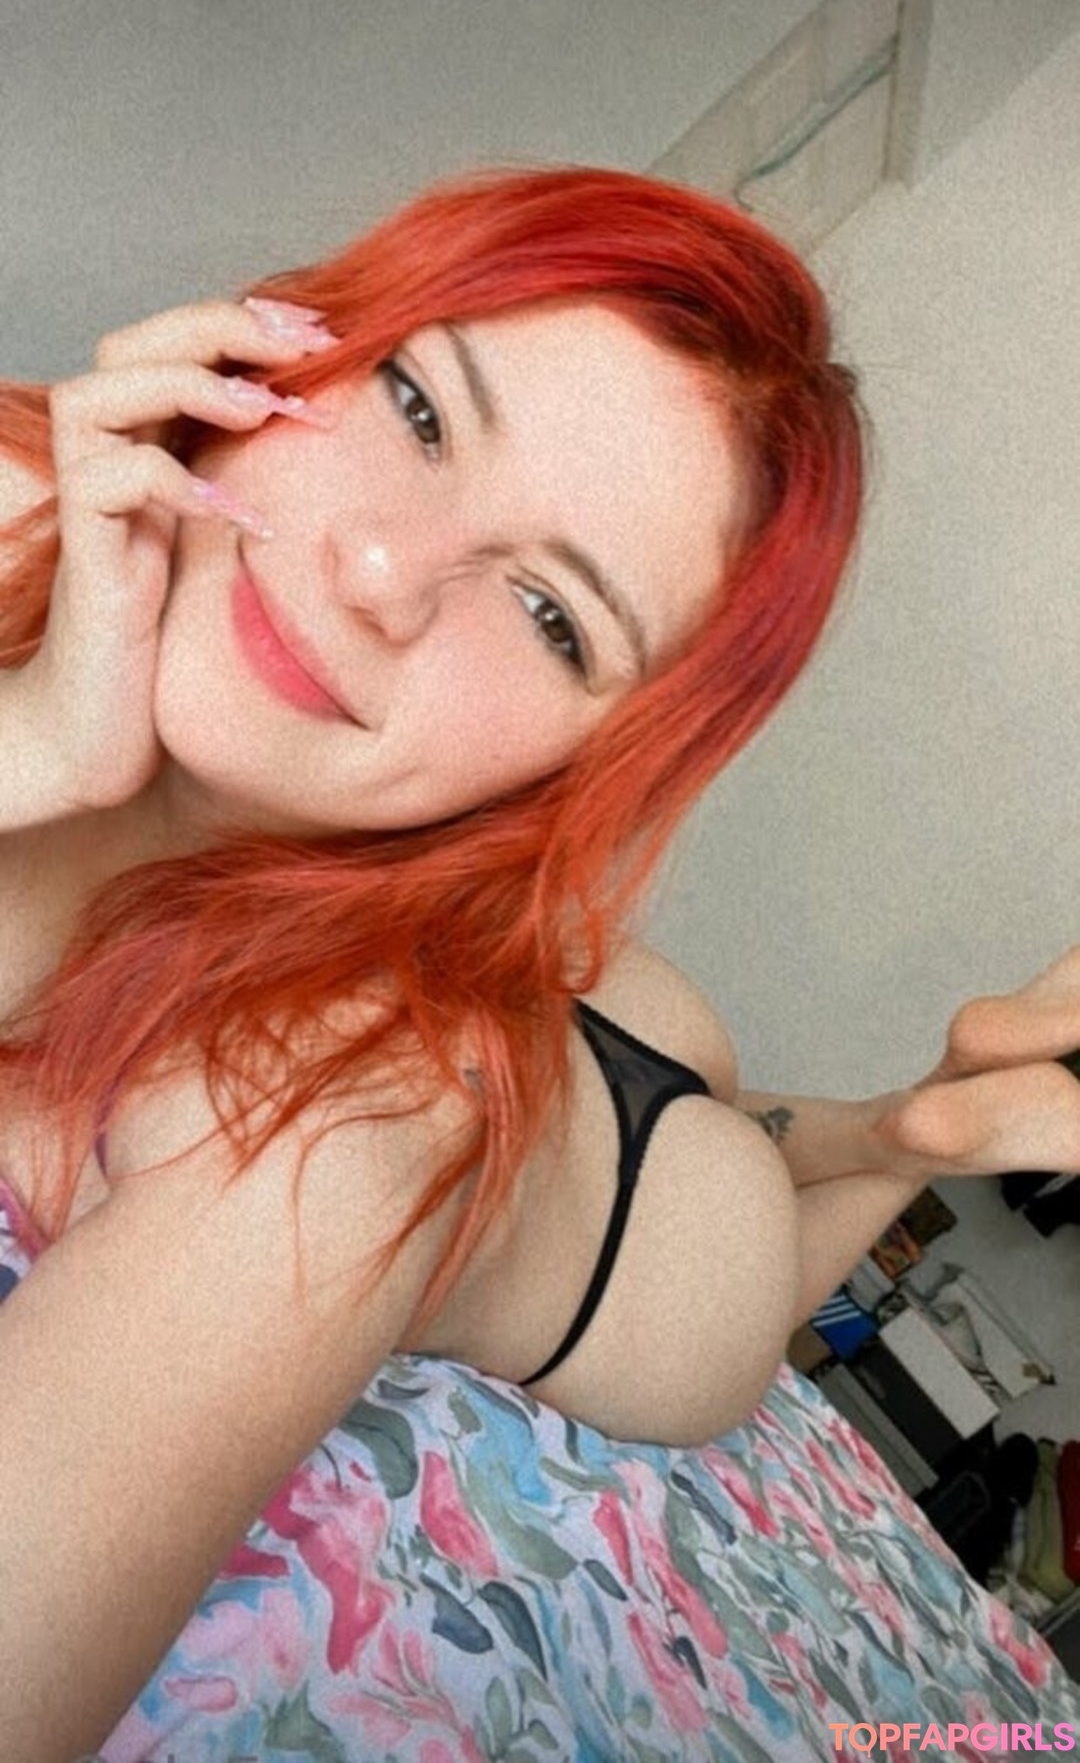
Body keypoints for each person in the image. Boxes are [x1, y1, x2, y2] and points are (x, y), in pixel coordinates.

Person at [0, 165, 1077, 1762]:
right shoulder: (30, 487)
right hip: (554, 998)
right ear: (299, 332)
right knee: (711, 1095)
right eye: (419, 408)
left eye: (550, 614)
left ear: (585, 769)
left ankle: (916, 1125)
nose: (381, 571)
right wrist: (28, 743)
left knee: (726, 1246)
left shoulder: (335, 1123)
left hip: (633, 1194)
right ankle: (885, 1117)